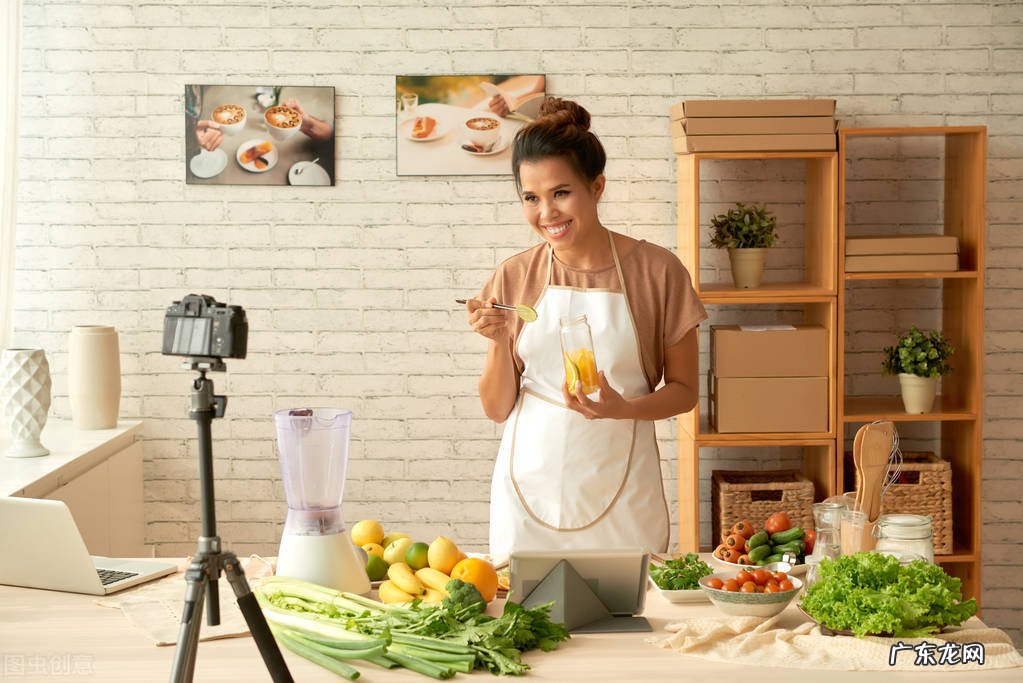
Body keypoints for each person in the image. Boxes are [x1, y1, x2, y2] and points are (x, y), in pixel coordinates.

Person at [465, 97, 707, 561]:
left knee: (627, 623)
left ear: (596, 187)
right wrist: (498, 342)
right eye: (530, 198)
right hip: (528, 487)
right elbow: (497, 409)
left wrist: (623, 408)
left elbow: (684, 391)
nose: (546, 213)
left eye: (561, 193)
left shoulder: (657, 272)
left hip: (623, 487)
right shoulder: (514, 277)